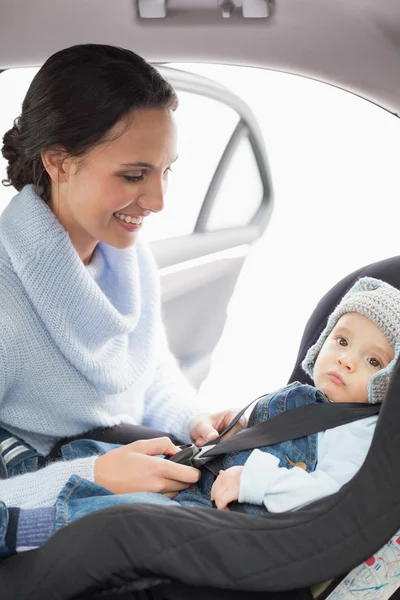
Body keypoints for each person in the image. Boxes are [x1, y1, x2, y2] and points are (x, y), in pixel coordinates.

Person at [0, 43, 245, 556]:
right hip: (44, 526)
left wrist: (192, 420)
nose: (157, 201)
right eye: (134, 176)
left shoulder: (127, 261)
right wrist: (95, 475)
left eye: (166, 171)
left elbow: (145, 372)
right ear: (58, 162)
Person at [3, 274, 398, 558]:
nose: (346, 360)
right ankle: (36, 468)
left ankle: (23, 527)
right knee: (93, 446)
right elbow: (262, 425)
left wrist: (256, 482)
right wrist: (238, 421)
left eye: (372, 360)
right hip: (203, 468)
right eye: (342, 341)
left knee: (124, 513)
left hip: (219, 517)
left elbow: (331, 494)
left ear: (387, 385)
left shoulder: (359, 432)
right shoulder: (303, 397)